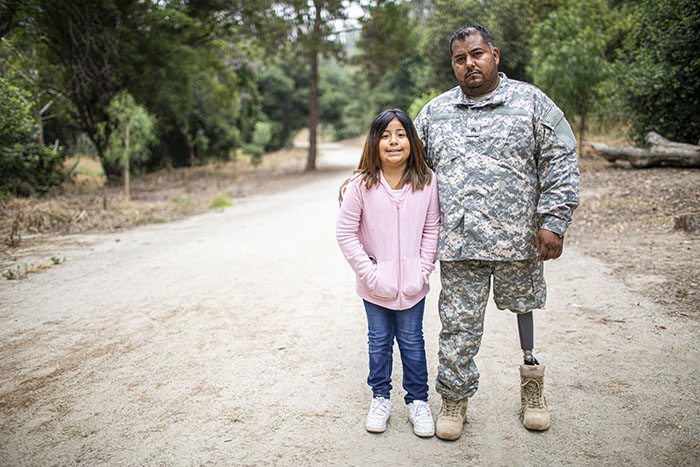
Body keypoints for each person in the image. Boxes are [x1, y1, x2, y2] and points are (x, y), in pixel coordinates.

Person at [413, 24, 580, 440]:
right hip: (460, 245)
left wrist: (553, 221)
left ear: (495, 55)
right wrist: (364, 183)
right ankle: (454, 399)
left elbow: (560, 158)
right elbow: (408, 167)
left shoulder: (531, 103)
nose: (469, 63)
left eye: (477, 54)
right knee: (457, 326)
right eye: (459, 58)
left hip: (520, 241)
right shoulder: (435, 113)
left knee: (526, 313)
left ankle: (532, 387)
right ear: (452, 64)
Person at [336, 108, 440, 438]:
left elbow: (432, 227)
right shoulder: (360, 185)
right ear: (374, 143)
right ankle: (380, 397)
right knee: (379, 342)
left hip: (412, 286)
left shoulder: (426, 180)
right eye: (385, 135)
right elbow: (345, 233)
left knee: (412, 341)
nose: (393, 141)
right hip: (375, 287)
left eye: (400, 134)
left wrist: (422, 271)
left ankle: (418, 401)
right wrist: (371, 275)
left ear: (411, 140)